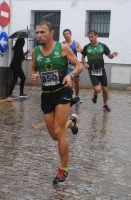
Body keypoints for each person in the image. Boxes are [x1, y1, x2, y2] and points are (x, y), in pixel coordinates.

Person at [30, 21, 83, 184]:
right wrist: (33, 74)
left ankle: (63, 169)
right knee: (54, 135)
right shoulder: (35, 52)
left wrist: (70, 75)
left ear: (52, 32)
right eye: (37, 32)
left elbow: (79, 65)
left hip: (63, 92)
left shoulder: (63, 48)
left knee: (59, 131)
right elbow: (33, 68)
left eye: (42, 32)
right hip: (46, 95)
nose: (39, 35)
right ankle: (72, 122)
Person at [81, 30, 118, 111]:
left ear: (96, 36)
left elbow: (109, 56)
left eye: (92, 37)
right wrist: (85, 64)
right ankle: (95, 94)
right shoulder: (87, 47)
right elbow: (83, 57)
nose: (90, 39)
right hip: (92, 71)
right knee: (98, 89)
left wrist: (113, 55)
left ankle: (105, 105)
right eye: (89, 37)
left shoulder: (103, 46)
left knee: (105, 89)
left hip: (101, 70)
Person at [63, 29, 83, 103]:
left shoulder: (75, 43)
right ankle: (69, 96)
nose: (66, 35)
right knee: (69, 81)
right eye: (64, 34)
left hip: (74, 66)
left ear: (71, 34)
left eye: (68, 33)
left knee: (77, 82)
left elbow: (82, 50)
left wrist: (79, 50)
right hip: (66, 66)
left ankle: (77, 96)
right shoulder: (62, 44)